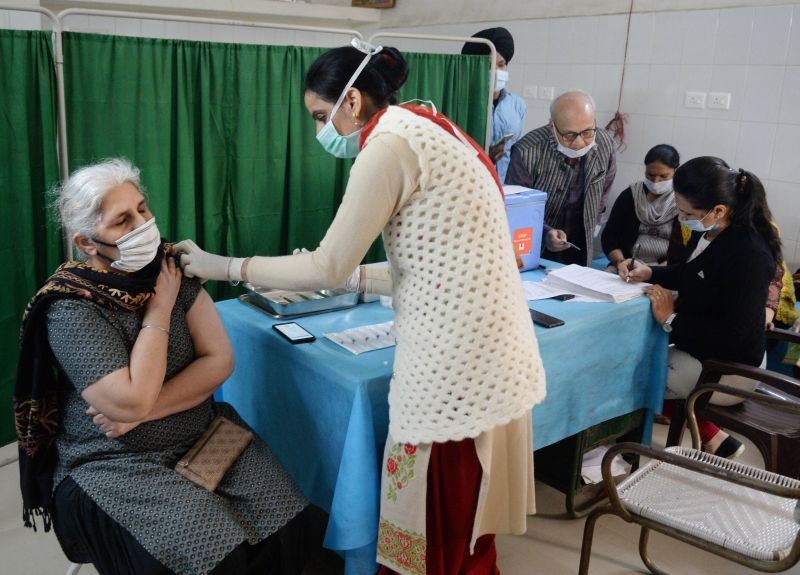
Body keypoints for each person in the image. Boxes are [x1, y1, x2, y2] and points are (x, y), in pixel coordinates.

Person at [174, 40, 545, 575]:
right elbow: (425, 263)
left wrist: (226, 267)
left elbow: (325, 266)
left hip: (458, 370)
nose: (320, 131)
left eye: (322, 116)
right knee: (464, 524)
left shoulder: (389, 144)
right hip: (495, 353)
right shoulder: (431, 123)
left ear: (352, 101)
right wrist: (347, 276)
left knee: (437, 521)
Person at [15, 159, 312, 575]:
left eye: (142, 208)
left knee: (287, 520)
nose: (142, 225)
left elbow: (219, 359)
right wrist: (160, 309)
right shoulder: (71, 307)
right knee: (212, 552)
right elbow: (130, 398)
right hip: (114, 460)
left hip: (203, 434)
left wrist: (143, 412)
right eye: (122, 221)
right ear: (87, 243)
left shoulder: (169, 265)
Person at [621, 156, 780, 458]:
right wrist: (650, 271)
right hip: (705, 351)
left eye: (686, 212)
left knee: (630, 371)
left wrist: (672, 319)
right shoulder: (716, 232)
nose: (681, 218)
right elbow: (691, 272)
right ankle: (714, 438)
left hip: (728, 370)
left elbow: (735, 336)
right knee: (636, 359)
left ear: (719, 210)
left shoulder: (748, 255)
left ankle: (620, 454)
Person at [506, 90, 617, 266]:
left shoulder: (605, 145)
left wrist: (595, 222)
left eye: (588, 132)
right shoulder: (527, 152)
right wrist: (545, 233)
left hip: (580, 242)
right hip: (537, 243)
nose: (579, 143)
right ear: (552, 127)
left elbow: (604, 190)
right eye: (569, 135)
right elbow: (518, 208)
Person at [461, 27, 526, 182]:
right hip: (468, 183)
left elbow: (515, 150)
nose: (496, 71)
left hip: (503, 186)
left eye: (501, 65)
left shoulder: (517, 105)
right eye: (489, 66)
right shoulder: (462, 103)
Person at [602, 144, 680, 271]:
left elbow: (685, 249)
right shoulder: (631, 195)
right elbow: (610, 236)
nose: (656, 181)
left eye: (663, 176)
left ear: (675, 171)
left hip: (665, 269)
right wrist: (620, 262)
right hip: (627, 264)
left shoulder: (682, 202)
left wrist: (655, 272)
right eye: (650, 175)